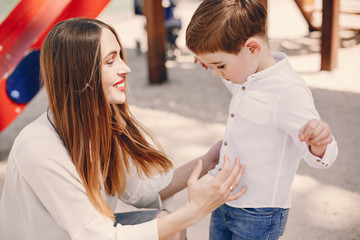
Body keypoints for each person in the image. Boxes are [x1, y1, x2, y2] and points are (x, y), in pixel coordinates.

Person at [0, 18, 248, 240]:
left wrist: (209, 159)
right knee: (174, 224)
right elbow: (98, 237)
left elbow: (140, 191)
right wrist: (194, 211)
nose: (125, 68)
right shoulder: (39, 148)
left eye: (119, 56)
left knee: (169, 224)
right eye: (110, 61)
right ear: (80, 74)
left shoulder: (101, 123)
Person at [185, 0, 338, 239]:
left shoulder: (288, 91)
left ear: (253, 48)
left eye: (220, 65)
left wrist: (318, 141)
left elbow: (322, 156)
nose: (216, 72)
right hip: (224, 198)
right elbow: (234, 80)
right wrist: (211, 62)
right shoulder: (247, 75)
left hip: (258, 211)